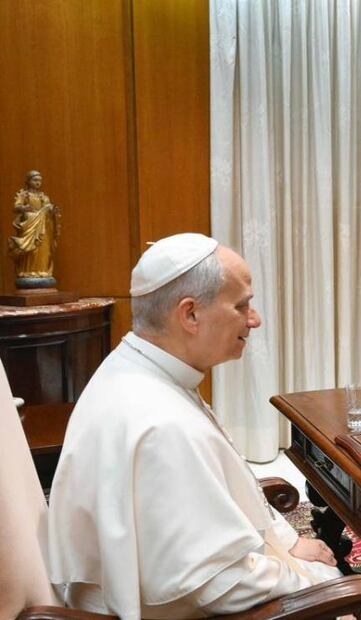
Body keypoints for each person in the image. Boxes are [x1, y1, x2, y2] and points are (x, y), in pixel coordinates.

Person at [46, 233, 341, 619]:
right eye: (242, 306)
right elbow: (220, 583)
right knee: (347, 588)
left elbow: (223, 492)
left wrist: (286, 540)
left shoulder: (139, 365)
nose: (255, 320)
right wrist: (319, 587)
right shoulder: (160, 423)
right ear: (190, 315)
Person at [8, 170, 61, 287]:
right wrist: (24, 208)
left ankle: (42, 271)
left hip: (43, 228)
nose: (38, 182)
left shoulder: (43, 196)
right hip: (30, 225)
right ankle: (28, 272)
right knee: (31, 250)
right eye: (35, 180)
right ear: (28, 181)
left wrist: (53, 210)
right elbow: (16, 207)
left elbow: (49, 209)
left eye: (40, 180)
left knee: (42, 249)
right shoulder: (24, 194)